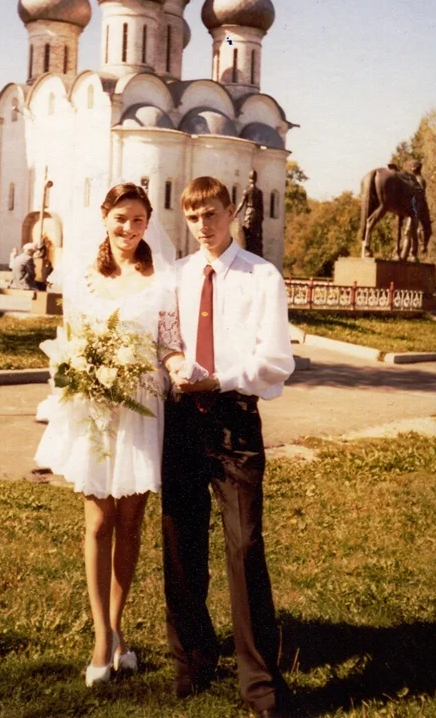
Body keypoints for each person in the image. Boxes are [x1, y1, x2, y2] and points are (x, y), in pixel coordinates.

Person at [163, 176, 305, 718]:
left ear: (232, 212)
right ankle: (193, 658)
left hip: (233, 422)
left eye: (213, 213)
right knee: (180, 542)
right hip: (182, 422)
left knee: (244, 548)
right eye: (194, 216)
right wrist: (174, 360)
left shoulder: (260, 277)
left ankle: (260, 686)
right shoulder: (177, 275)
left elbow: (275, 361)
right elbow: (166, 337)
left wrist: (217, 381)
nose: (205, 225)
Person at [34, 183, 184, 687]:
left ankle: (119, 629)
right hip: (94, 410)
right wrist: (74, 381)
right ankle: (101, 637)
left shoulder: (162, 278)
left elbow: (168, 341)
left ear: (148, 224)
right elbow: (70, 341)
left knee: (132, 519)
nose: (129, 229)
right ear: (105, 219)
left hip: (141, 407)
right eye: (120, 218)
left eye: (138, 220)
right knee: (99, 520)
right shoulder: (83, 278)